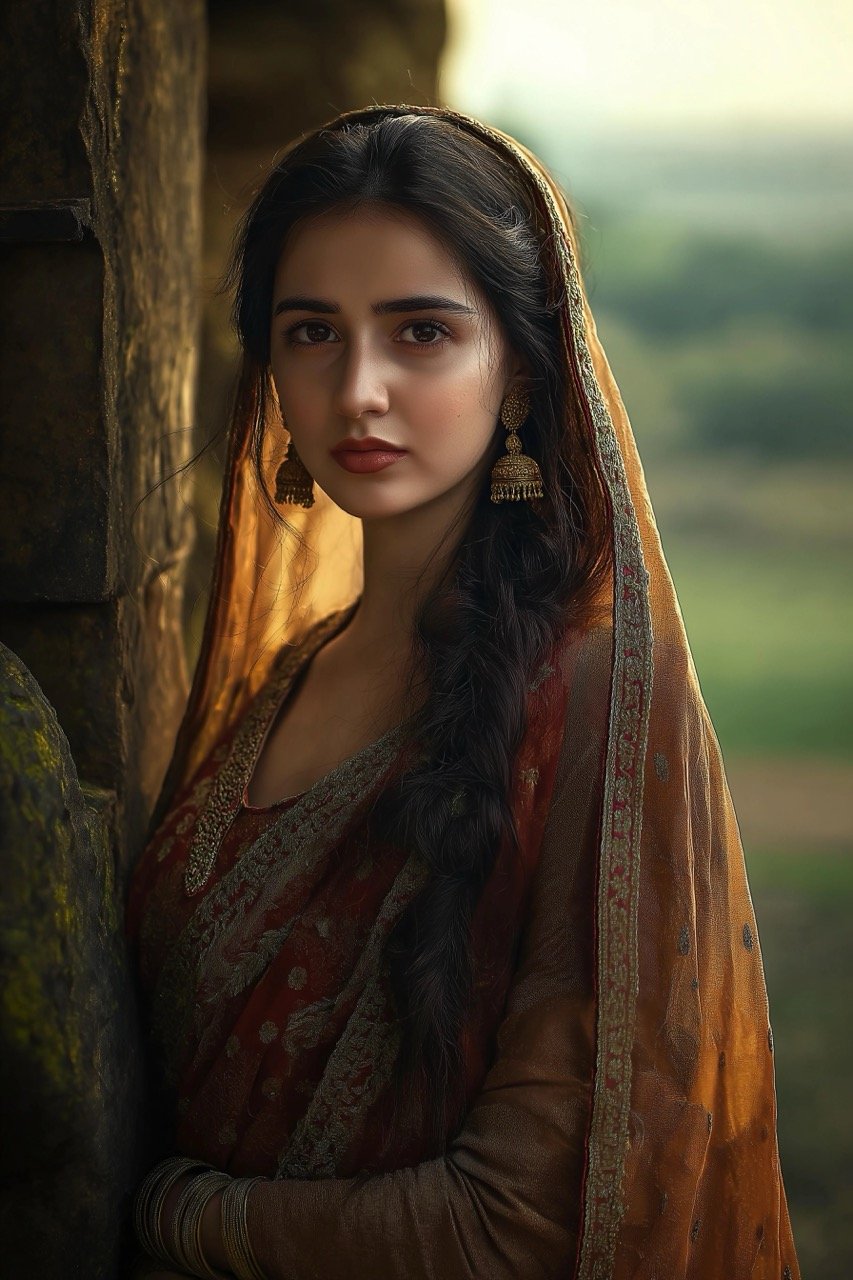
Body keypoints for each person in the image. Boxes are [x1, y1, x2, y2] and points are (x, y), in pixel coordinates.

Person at [125, 105, 800, 1280]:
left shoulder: (585, 706)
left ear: (523, 376)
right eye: (312, 333)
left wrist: (184, 1219)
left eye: (422, 333)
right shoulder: (281, 676)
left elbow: (524, 1225)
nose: (361, 388)